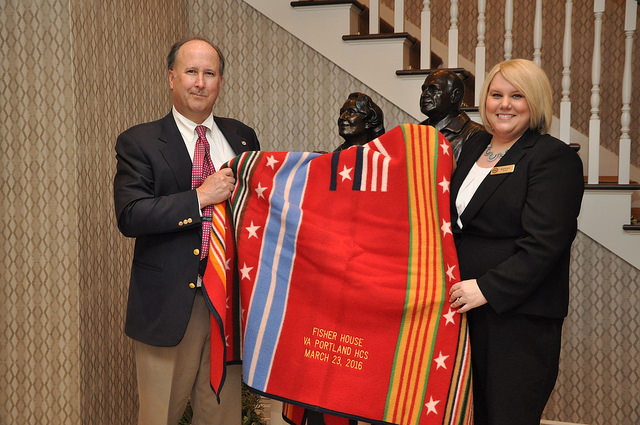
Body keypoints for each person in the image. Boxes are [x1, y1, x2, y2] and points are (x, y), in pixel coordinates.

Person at [113, 37, 260, 425]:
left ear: (220, 81)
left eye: (209, 73)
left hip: (228, 306)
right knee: (161, 416)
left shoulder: (243, 138)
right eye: (191, 72)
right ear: (171, 78)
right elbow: (131, 214)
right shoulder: (139, 141)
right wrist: (200, 198)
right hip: (169, 308)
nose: (200, 82)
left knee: (223, 416)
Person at [447, 59, 584, 425]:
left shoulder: (552, 158)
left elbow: (546, 244)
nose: (504, 105)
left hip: (516, 317)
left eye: (517, 95)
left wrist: (487, 289)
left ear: (534, 102)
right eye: (496, 95)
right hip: (464, 310)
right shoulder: (476, 143)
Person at [419, 69, 483, 161]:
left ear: (455, 96)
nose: (424, 94)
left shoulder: (476, 134)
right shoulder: (417, 132)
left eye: (434, 90)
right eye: (423, 89)